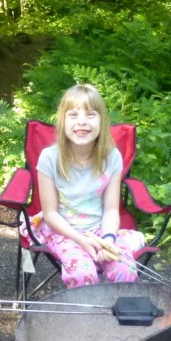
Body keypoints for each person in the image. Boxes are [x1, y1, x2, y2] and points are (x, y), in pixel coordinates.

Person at [29, 84, 146, 287]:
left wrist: (108, 240)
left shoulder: (112, 157)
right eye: (73, 115)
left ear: (102, 121)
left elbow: (111, 209)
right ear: (63, 122)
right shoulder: (49, 158)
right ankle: (84, 318)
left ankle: (119, 316)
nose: (82, 122)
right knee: (84, 275)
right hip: (63, 231)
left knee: (125, 269)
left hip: (101, 230)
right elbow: (51, 214)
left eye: (91, 115)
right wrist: (81, 240)